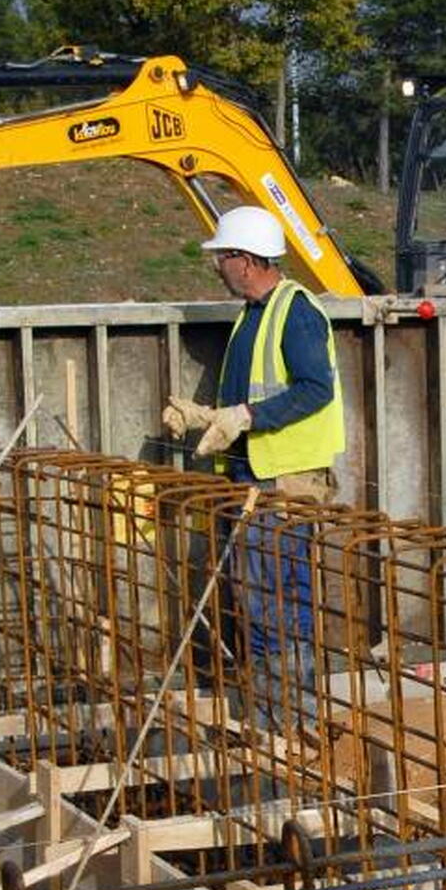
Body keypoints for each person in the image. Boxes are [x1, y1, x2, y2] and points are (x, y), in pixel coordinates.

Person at [161, 204, 344, 732]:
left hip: (283, 480)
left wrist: (246, 416)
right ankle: (274, 713)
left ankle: (288, 717)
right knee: (258, 597)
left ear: (246, 259)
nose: (217, 266)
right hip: (250, 475)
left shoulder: (296, 312)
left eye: (222, 257)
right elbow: (249, 395)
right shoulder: (252, 314)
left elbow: (315, 389)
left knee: (279, 599)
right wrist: (204, 416)